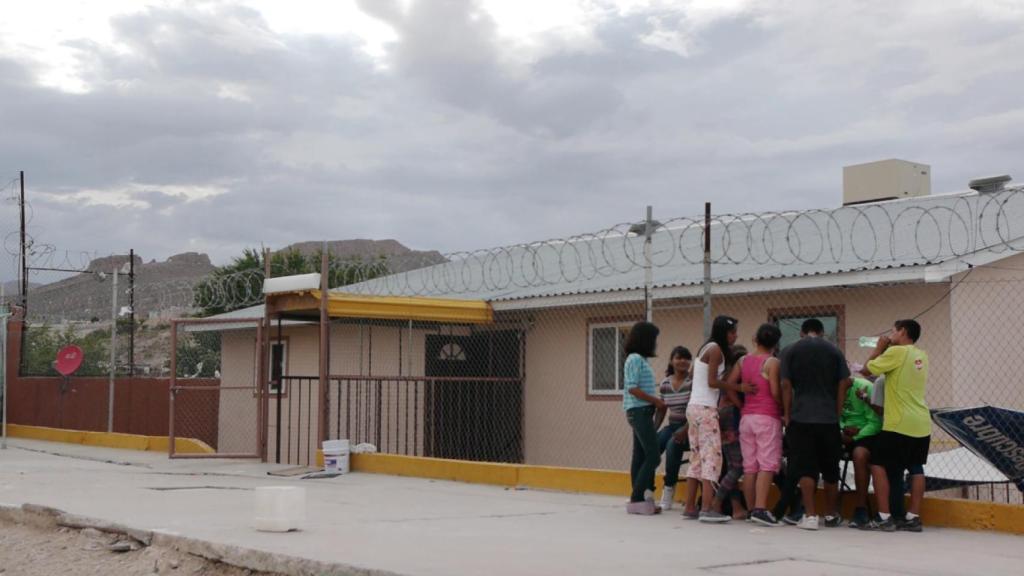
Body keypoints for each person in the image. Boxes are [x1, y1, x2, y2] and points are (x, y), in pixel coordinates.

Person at [780, 318, 851, 530]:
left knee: (806, 468)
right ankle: (830, 514)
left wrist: (787, 413)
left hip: (801, 417)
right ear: (821, 332)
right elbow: (844, 383)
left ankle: (810, 516)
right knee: (830, 469)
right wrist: (836, 413)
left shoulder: (790, 351)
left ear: (802, 333)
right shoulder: (834, 351)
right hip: (828, 417)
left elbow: (785, 384)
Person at [861, 319, 930, 532]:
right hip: (921, 422)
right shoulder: (922, 355)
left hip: (898, 422)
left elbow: (866, 370)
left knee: (877, 463)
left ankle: (884, 516)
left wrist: (879, 349)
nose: (891, 334)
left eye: (893, 330)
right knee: (916, 467)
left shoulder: (896, 353)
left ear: (903, 332)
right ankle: (913, 516)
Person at [683, 315, 744, 523]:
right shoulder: (717, 350)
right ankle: (707, 508)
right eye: (732, 332)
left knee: (697, 457)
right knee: (712, 458)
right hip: (706, 408)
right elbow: (712, 381)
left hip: (693, 407)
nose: (735, 336)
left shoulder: (705, 347)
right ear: (723, 332)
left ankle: (690, 506)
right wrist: (738, 387)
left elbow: (693, 375)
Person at [738, 323, 783, 526]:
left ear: (756, 338)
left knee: (749, 466)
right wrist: (783, 408)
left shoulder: (743, 360)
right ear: (776, 342)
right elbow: (774, 391)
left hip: (746, 417)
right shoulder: (772, 362)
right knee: (767, 463)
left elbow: (732, 385)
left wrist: (742, 405)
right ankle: (760, 508)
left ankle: (750, 509)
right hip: (767, 417)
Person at [622, 321, 666, 515]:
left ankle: (639, 499)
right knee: (653, 456)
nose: (655, 343)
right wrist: (655, 400)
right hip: (639, 411)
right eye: (653, 339)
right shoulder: (634, 359)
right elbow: (632, 387)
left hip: (642, 411)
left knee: (640, 456)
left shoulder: (641, 360)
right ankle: (636, 497)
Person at [840, 375, 883, 529]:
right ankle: (828, 511)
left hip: (865, 433)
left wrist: (856, 436)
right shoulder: (830, 387)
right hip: (843, 433)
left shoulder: (865, 388)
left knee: (860, 455)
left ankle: (861, 509)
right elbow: (835, 416)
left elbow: (876, 422)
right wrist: (842, 430)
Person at [653, 346, 693, 511]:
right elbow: (661, 409)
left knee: (672, 445)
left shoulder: (693, 383)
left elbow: (696, 410)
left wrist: (685, 429)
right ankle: (644, 489)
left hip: (690, 428)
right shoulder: (665, 383)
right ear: (672, 361)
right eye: (678, 358)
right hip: (672, 426)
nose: (682, 361)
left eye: (686, 358)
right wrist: (653, 430)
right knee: (653, 445)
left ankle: (669, 489)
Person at [714, 346, 749, 520]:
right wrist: (741, 407)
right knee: (738, 466)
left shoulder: (723, 375)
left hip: (722, 418)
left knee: (732, 466)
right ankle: (716, 502)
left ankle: (736, 508)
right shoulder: (734, 377)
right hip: (731, 419)